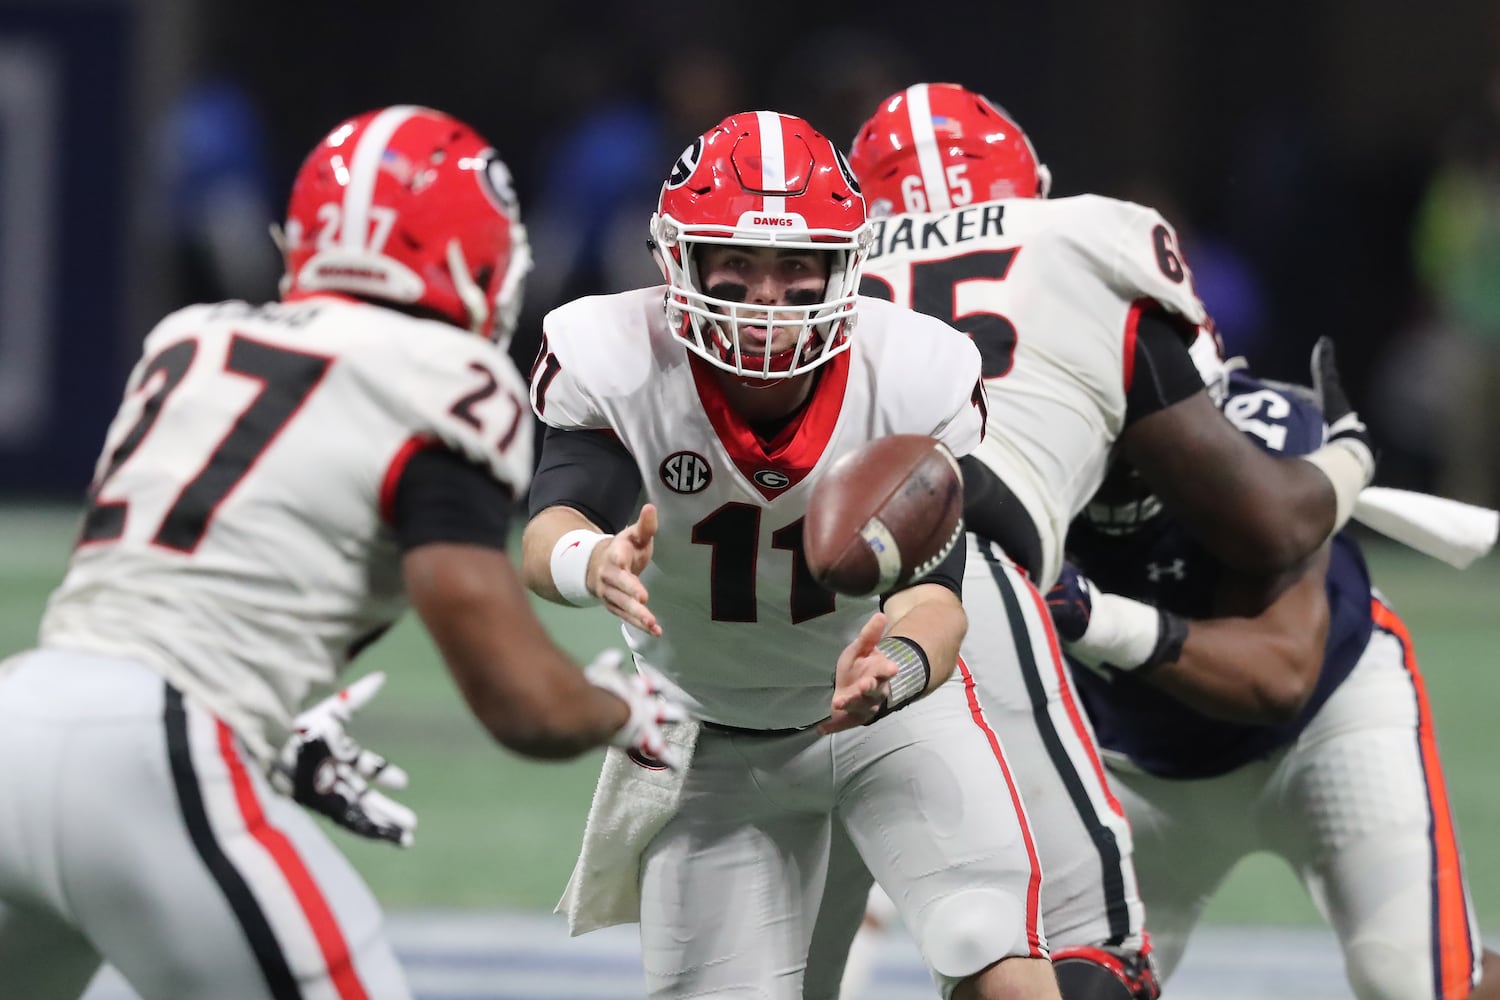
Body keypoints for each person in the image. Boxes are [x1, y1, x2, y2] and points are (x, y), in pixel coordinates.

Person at [0, 105, 681, 1000]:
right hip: (154, 755)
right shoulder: (453, 379)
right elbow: (517, 701)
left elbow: (176, 602)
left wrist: (268, 740)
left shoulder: (188, 339)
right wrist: (621, 708)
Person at [829, 82, 1380, 1000]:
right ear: (1026, 188)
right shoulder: (1083, 241)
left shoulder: (815, 272)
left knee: (818, 936)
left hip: (790, 606)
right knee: (1079, 952)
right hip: (973, 586)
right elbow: (1267, 522)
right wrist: (1352, 456)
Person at [522, 110, 1063, 1000]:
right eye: (736, 265)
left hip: (890, 722)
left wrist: (891, 667)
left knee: (990, 950)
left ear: (842, 267)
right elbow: (550, 528)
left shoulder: (913, 370)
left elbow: (940, 604)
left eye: (796, 265)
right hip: (709, 739)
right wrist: (594, 561)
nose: (767, 295)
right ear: (679, 261)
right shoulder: (615, 356)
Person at [1046, 340, 1500, 1000]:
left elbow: (1279, 675)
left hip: (1326, 727)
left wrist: (1093, 617)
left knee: (1416, 980)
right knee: (1064, 990)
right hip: (1128, 763)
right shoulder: (1016, 447)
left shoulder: (1267, 437)